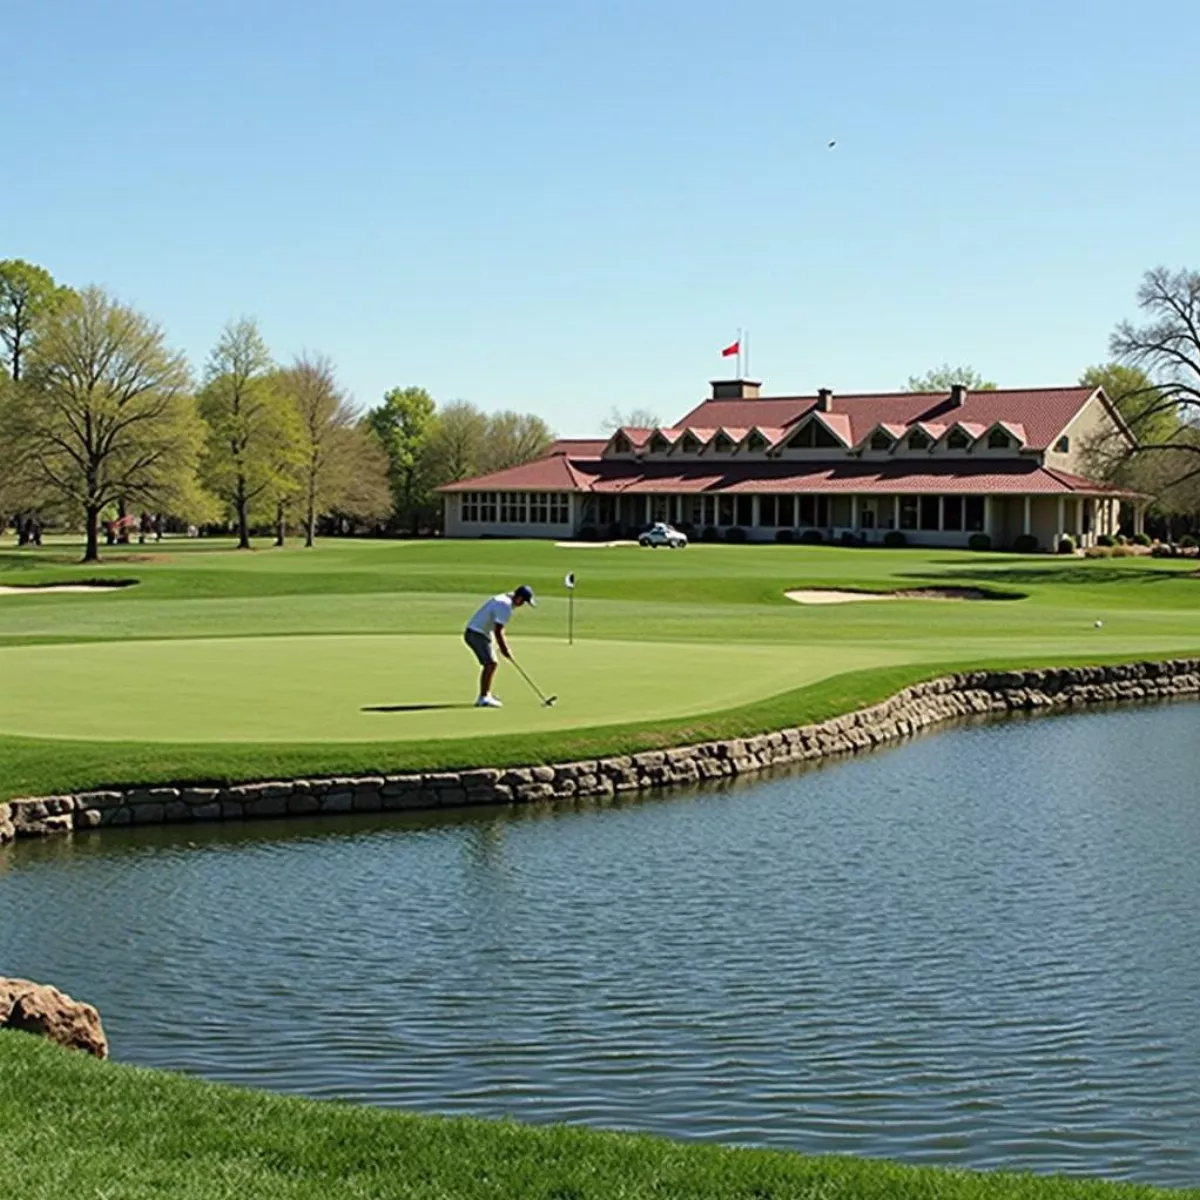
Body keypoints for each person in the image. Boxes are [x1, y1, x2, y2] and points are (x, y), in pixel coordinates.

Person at [463, 585, 536, 707]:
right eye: (523, 601)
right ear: (518, 597)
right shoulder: (505, 606)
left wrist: (502, 647)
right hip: (476, 634)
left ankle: (486, 694)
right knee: (491, 663)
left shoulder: (505, 599)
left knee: (491, 663)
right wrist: (504, 649)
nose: (522, 604)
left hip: (482, 632)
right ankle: (483, 698)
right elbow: (498, 631)